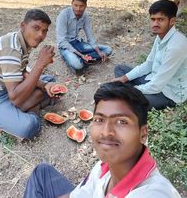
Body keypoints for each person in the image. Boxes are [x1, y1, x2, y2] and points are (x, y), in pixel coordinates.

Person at [23, 82, 181, 198]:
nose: (106, 132)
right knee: (42, 172)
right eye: (99, 120)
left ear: (143, 133)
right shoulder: (103, 167)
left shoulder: (153, 194)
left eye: (121, 122)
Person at [0, 9, 58, 139]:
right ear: (23, 25)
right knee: (29, 126)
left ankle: (23, 106)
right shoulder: (11, 48)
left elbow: (22, 72)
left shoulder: (21, 40)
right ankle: (30, 106)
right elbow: (15, 97)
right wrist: (40, 64)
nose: (40, 35)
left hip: (6, 86)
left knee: (49, 82)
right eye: (36, 28)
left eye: (44, 31)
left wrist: (44, 85)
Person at [113, 0, 187, 110]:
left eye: (160, 20)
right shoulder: (160, 36)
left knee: (130, 104)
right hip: (153, 80)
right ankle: (131, 92)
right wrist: (123, 79)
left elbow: (157, 85)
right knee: (120, 70)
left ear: (172, 21)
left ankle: (130, 94)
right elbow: (149, 64)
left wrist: (131, 90)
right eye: (153, 19)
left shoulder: (176, 46)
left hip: (169, 93)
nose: (155, 24)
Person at [56, 0, 112, 72]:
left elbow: (90, 36)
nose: (78, 9)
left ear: (86, 5)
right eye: (75, 5)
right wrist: (81, 55)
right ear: (71, 3)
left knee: (107, 50)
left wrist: (98, 52)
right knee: (78, 65)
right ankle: (78, 60)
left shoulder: (85, 16)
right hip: (65, 46)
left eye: (81, 6)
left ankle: (81, 60)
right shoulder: (64, 15)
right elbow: (62, 41)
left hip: (77, 43)